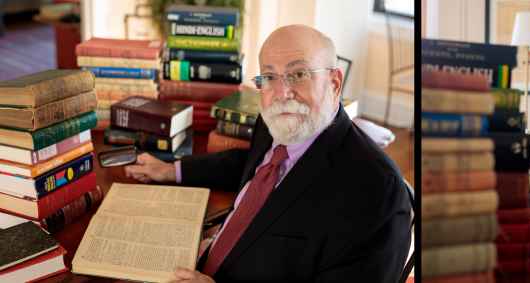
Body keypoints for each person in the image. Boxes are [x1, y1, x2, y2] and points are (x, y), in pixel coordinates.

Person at [125, 25, 412, 282]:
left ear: (334, 83)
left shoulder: (377, 194)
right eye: (270, 77)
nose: (281, 92)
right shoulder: (272, 121)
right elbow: (248, 165)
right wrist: (171, 170)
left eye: (298, 74)